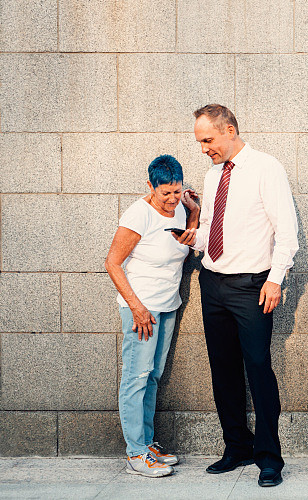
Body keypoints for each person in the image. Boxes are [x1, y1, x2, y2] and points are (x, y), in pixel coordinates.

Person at [180, 104, 298, 487]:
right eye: (200, 142)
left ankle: (268, 457)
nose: (204, 149)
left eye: (208, 140)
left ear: (229, 130)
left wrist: (275, 279)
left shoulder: (267, 168)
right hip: (212, 283)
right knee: (223, 370)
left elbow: (287, 231)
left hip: (252, 286)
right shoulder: (214, 174)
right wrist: (192, 236)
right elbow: (216, 228)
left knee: (259, 369)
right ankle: (237, 447)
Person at [105, 155, 199, 477]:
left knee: (153, 375)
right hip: (141, 310)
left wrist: (195, 213)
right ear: (150, 187)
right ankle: (135, 453)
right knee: (136, 376)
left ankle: (146, 443)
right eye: (165, 194)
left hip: (167, 305)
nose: (173, 200)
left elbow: (187, 242)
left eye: (177, 191)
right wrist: (137, 307)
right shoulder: (138, 214)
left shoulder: (183, 208)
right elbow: (112, 263)